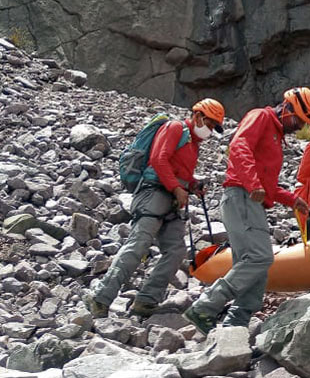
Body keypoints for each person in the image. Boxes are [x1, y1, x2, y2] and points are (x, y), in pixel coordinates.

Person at [183, 88, 310, 336]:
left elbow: (268, 185)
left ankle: (235, 327)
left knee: (253, 267)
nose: (299, 128)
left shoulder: (276, 135)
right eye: (298, 120)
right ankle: (206, 306)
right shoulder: (261, 117)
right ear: (286, 109)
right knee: (260, 258)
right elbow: (239, 146)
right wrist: (253, 184)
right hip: (241, 197)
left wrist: (292, 200)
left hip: (248, 199)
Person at [85, 99, 225, 318]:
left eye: (214, 127)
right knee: (138, 245)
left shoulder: (193, 143)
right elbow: (159, 160)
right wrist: (177, 189)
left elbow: (179, 172)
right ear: (197, 116)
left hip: (170, 200)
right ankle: (100, 298)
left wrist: (191, 185)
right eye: (209, 124)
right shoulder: (176, 128)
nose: (210, 130)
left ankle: (146, 301)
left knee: (176, 251)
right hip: (153, 194)